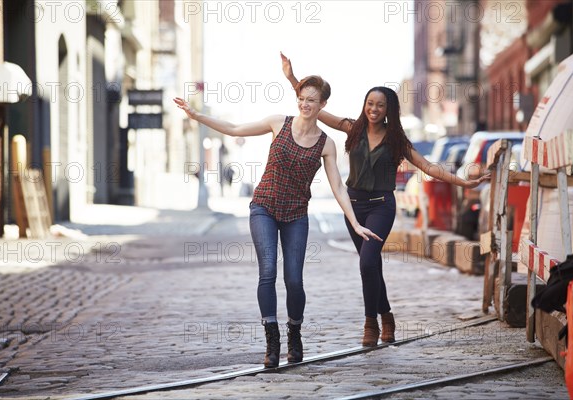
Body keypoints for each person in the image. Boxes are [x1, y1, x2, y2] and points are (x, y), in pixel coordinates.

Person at [280, 53, 489, 347]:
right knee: (372, 265)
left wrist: (464, 181)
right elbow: (312, 109)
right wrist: (292, 78)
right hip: (353, 206)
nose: (374, 109)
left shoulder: (397, 141)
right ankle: (387, 315)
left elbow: (429, 167)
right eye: (370, 104)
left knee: (367, 262)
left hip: (381, 206)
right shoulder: (352, 128)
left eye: (380, 105)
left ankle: (371, 323)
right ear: (364, 106)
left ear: (389, 109)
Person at [174, 75, 381, 368]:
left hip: (296, 214)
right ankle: (272, 340)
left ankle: (294, 332)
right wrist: (196, 115)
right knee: (268, 271)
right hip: (264, 208)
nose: (305, 103)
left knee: (294, 280)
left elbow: (337, 186)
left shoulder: (326, 144)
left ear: (323, 104)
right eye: (301, 98)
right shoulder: (278, 123)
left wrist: (355, 223)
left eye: (311, 100)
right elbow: (234, 128)